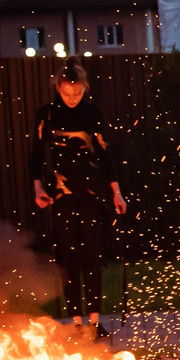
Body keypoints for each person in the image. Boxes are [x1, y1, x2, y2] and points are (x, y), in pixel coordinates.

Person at [31, 63, 126, 329]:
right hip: (61, 194)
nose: (72, 99)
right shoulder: (47, 115)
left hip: (91, 193)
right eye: (66, 93)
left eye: (77, 93)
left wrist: (117, 193)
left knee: (91, 257)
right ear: (58, 88)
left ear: (85, 88)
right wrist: (38, 188)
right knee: (68, 259)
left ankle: (95, 323)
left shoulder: (92, 113)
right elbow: (37, 154)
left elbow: (105, 153)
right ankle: (75, 323)